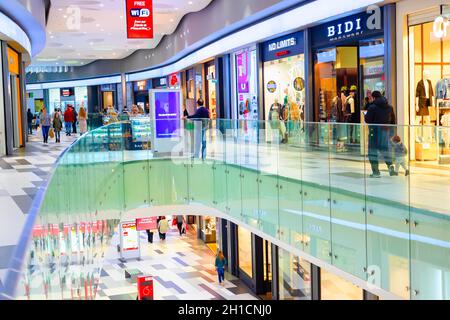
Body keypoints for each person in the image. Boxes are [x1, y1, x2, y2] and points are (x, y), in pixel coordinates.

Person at [364, 91, 397, 178]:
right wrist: (391, 132)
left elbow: (367, 120)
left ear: (374, 98)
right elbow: (393, 120)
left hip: (374, 132)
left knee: (372, 151)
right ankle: (391, 168)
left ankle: (376, 172)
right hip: (385, 132)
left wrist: (366, 114)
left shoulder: (372, 107)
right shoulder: (389, 107)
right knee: (385, 149)